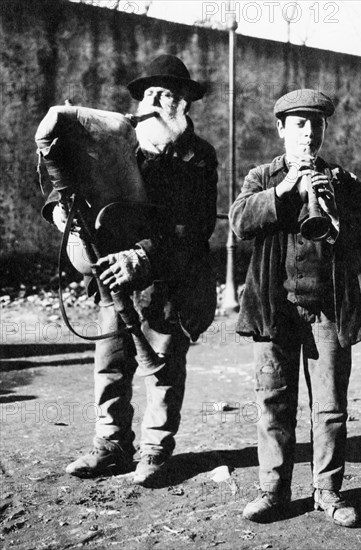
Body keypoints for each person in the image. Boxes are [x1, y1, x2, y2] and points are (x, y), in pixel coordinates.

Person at [44, 55, 218, 486]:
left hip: (169, 277)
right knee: (110, 362)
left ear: (185, 106)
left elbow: (195, 225)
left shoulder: (198, 157)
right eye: (152, 94)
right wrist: (59, 214)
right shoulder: (112, 145)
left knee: (161, 365)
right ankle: (112, 445)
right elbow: (64, 187)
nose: (160, 102)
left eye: (171, 95)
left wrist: (141, 256)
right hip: (111, 280)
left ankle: (156, 450)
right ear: (140, 101)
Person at [229, 89, 361, 527]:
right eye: (299, 124)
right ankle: (272, 492)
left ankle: (327, 492)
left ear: (324, 129)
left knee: (329, 407)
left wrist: (335, 213)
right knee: (273, 401)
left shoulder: (344, 181)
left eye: (317, 124)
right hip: (274, 311)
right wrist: (284, 190)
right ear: (281, 129)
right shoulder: (261, 176)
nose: (309, 133)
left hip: (328, 311)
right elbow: (239, 223)